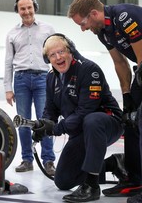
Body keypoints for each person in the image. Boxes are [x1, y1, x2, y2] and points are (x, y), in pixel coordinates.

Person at [31, 33, 124, 202]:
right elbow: (50, 109)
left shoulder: (89, 69)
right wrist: (43, 126)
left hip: (107, 124)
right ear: (48, 59)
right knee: (63, 181)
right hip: (82, 131)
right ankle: (113, 163)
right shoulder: (51, 78)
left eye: (61, 52)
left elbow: (85, 111)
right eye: (52, 55)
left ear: (70, 51)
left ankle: (92, 186)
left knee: (92, 120)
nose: (58, 57)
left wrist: (56, 128)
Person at [67, 0, 142, 202]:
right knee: (130, 121)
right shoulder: (103, 33)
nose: (82, 28)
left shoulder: (124, 16)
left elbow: (141, 55)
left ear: (93, 13)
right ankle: (135, 178)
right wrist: (127, 96)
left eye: (82, 23)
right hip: (139, 71)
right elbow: (120, 63)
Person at [4, 0, 56, 175]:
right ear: (17, 11)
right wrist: (8, 88)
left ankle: (49, 160)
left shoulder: (48, 29)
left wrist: (58, 80)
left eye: (29, 7)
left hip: (44, 78)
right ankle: (27, 160)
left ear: (35, 7)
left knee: (45, 120)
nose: (26, 11)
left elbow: (56, 54)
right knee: (23, 121)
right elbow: (8, 62)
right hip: (21, 79)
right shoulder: (12, 33)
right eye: (22, 8)